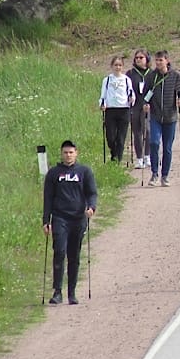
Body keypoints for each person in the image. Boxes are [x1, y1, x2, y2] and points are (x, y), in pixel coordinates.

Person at [43, 140, 97, 305]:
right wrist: (46, 220)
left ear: (76, 153)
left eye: (71, 152)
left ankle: (71, 293)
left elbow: (92, 193)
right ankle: (57, 291)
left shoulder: (84, 172)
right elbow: (48, 199)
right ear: (61, 153)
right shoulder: (53, 173)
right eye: (65, 152)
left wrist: (91, 207)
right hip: (60, 218)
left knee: (74, 255)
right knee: (59, 252)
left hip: (78, 219)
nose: (68, 155)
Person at [143, 50, 180, 187]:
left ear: (167, 61)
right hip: (155, 115)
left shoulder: (175, 76)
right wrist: (145, 104)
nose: (158, 63)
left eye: (161, 60)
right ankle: (154, 173)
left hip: (170, 116)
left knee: (167, 147)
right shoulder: (151, 76)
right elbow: (146, 93)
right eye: (157, 60)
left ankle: (165, 175)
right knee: (154, 143)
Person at [99, 56, 134, 163]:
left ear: (122, 67)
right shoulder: (107, 80)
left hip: (123, 109)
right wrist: (102, 104)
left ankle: (117, 159)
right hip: (110, 110)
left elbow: (131, 92)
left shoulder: (126, 80)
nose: (118, 67)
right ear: (111, 66)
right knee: (110, 137)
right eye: (116, 65)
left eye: (120, 65)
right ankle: (114, 153)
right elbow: (103, 95)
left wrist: (132, 99)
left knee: (121, 137)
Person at [126, 50, 151, 169]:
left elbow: (153, 89)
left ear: (147, 59)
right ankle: (139, 158)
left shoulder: (151, 73)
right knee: (137, 132)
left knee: (148, 130)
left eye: (141, 57)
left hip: (147, 105)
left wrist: (147, 100)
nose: (138, 59)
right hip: (135, 105)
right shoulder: (130, 73)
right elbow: (126, 88)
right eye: (136, 58)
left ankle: (148, 156)